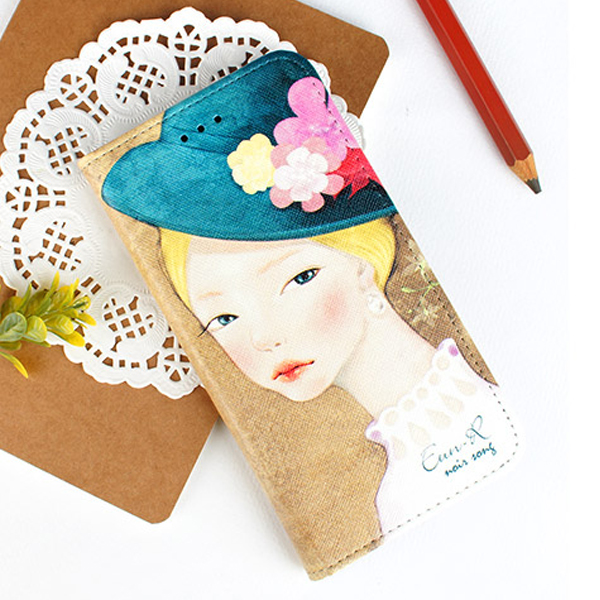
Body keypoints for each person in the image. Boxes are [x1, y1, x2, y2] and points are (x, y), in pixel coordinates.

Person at [101, 50, 518, 535]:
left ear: (362, 262)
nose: (264, 339)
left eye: (298, 278)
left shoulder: (473, 423)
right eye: (224, 319)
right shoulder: (396, 493)